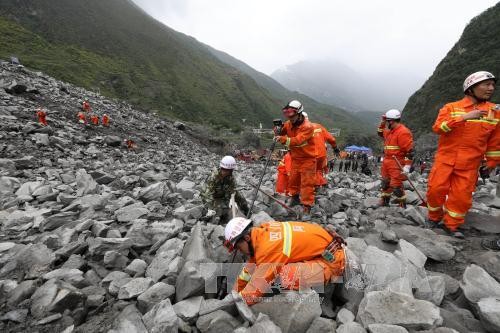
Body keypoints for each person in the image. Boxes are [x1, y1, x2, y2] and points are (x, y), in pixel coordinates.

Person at [426, 71, 499, 237]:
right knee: (435, 190)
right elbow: (438, 128)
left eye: (493, 85)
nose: (491, 88)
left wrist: (492, 162)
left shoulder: (494, 112)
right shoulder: (451, 108)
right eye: (486, 84)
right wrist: (464, 117)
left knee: (461, 197)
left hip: (470, 164)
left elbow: (495, 142)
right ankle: (433, 217)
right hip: (445, 159)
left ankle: (452, 225)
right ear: (471, 88)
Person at [224, 217, 346, 305]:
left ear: (246, 238)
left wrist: (236, 301)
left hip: (332, 262)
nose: (240, 252)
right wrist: (234, 291)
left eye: (239, 248)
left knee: (280, 277)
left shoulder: (269, 249)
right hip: (325, 249)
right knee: (266, 270)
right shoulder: (264, 232)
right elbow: (252, 266)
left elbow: (255, 289)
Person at [274, 100, 316, 219]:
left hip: (308, 158)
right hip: (296, 158)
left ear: (299, 114)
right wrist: (278, 129)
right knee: (293, 180)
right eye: (289, 117)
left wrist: (282, 139)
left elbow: (297, 140)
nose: (290, 119)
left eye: (292, 116)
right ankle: (295, 198)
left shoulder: (307, 127)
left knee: (307, 183)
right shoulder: (289, 123)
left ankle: (307, 207)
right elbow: (282, 131)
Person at [377, 109, 414, 208]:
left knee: (396, 186)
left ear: (392, 121)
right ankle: (385, 201)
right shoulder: (390, 131)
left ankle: (402, 205)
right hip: (387, 161)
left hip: (397, 162)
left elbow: (410, 151)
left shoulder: (403, 132)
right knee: (385, 183)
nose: (387, 123)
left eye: (387, 121)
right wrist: (382, 123)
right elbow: (380, 133)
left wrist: (407, 165)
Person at [201, 156, 249, 224]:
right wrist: (210, 208)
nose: (225, 172)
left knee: (240, 197)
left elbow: (232, 190)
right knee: (218, 210)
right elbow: (207, 195)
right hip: (212, 197)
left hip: (222, 194)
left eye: (227, 170)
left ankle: (248, 212)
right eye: (223, 169)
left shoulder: (230, 177)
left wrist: (232, 199)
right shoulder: (213, 177)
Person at [310, 117, 339, 187]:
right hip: (321, 155)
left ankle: (312, 186)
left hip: (309, 155)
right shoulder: (318, 126)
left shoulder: (297, 129)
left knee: (310, 171)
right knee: (318, 169)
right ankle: (319, 183)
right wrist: (335, 148)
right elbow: (331, 139)